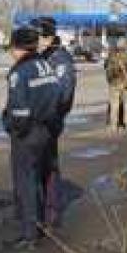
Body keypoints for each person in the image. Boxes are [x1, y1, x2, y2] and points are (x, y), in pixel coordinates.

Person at [2, 26, 62, 251]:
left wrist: (12, 127)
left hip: (27, 134)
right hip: (46, 130)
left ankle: (29, 235)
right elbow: (58, 96)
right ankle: (40, 223)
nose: (11, 53)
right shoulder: (46, 65)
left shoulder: (20, 72)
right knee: (38, 178)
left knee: (25, 182)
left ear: (19, 48)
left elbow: (19, 110)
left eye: (12, 48)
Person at [30, 16, 77, 230]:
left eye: (37, 36)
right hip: (36, 121)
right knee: (37, 166)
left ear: (48, 37)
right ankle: (38, 211)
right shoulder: (43, 57)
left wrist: (46, 115)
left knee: (48, 166)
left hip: (49, 121)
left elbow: (62, 95)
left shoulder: (60, 59)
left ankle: (50, 214)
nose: (34, 41)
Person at [104, 39, 127, 133]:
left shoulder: (112, 56)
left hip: (115, 83)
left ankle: (113, 126)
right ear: (126, 45)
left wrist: (110, 79)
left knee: (114, 104)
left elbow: (106, 67)